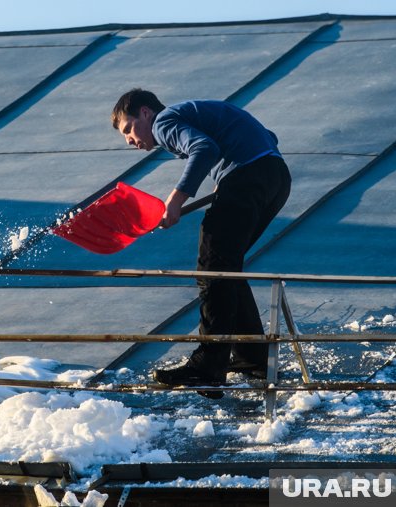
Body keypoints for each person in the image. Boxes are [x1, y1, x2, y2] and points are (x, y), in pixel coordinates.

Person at [111, 88, 291, 399]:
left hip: (247, 177)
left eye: (127, 128)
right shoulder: (194, 113)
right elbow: (267, 136)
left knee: (212, 269)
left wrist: (176, 199)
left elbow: (203, 148)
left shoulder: (164, 121)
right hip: (275, 177)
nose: (129, 139)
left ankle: (208, 366)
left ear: (145, 113)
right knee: (226, 267)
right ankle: (254, 359)